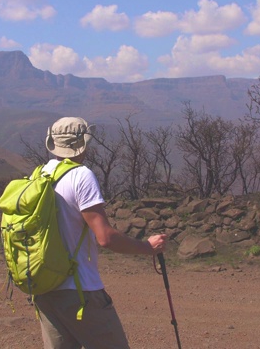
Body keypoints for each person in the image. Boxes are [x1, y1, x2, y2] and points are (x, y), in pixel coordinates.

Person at [34, 117, 168, 349]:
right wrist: (148, 248)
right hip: (80, 290)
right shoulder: (80, 175)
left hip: (44, 287)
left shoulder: (39, 174)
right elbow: (105, 237)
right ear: (83, 143)